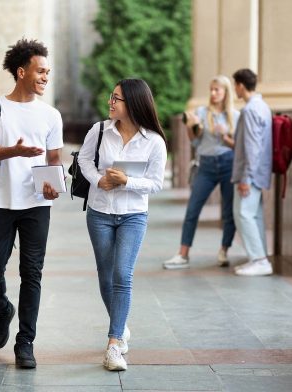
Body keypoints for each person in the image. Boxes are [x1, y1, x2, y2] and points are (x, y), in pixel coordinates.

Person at [0, 38, 63, 369]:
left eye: (48, 72)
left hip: (37, 205)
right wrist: (15, 150)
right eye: (40, 71)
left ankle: (25, 342)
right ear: (22, 72)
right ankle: (2, 309)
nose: (45, 77)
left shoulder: (51, 115)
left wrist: (54, 186)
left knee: (32, 273)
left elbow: (54, 158)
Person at [78, 79, 167, 371]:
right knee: (106, 276)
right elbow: (84, 161)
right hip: (100, 212)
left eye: (116, 98)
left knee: (122, 274)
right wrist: (98, 179)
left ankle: (114, 343)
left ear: (133, 103)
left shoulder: (154, 141)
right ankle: (121, 324)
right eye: (111, 97)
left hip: (133, 215)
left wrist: (126, 182)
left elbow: (156, 183)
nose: (110, 102)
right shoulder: (100, 130)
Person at [163, 76, 240, 269]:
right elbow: (195, 142)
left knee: (228, 211)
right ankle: (183, 254)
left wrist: (224, 136)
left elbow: (239, 147)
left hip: (228, 164)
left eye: (217, 90)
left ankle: (224, 251)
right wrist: (190, 127)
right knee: (192, 209)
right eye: (211, 89)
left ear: (225, 93)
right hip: (205, 165)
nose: (213, 94)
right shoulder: (201, 113)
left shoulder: (235, 116)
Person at [231, 69, 273, 276]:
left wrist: (245, 178)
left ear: (240, 85)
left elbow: (252, 147)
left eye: (235, 85)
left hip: (250, 174)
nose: (234, 89)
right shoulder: (263, 107)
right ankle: (258, 258)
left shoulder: (249, 110)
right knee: (254, 216)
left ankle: (259, 260)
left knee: (244, 214)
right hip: (260, 172)